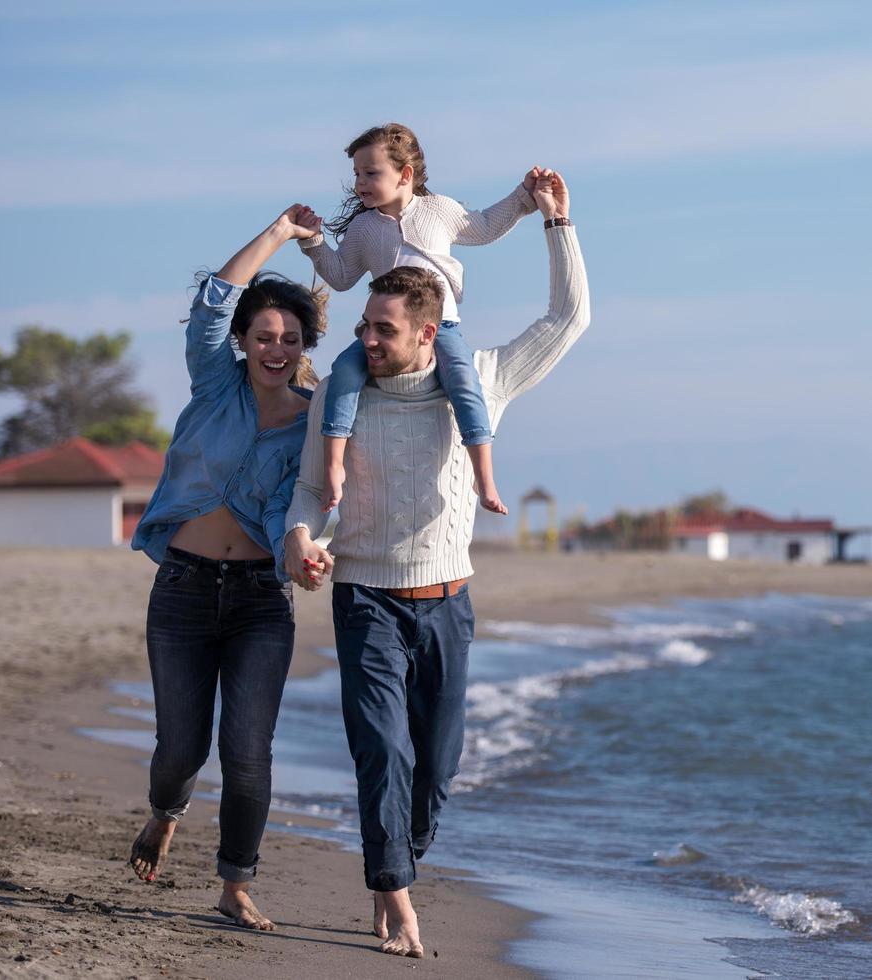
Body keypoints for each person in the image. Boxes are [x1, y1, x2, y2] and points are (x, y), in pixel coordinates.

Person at [283, 171, 586, 958]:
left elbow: (567, 317)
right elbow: (314, 489)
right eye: (365, 325)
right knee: (380, 748)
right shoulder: (339, 399)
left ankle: (399, 857)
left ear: (427, 333)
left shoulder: (480, 379)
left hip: (448, 601)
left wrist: (558, 225)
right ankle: (393, 891)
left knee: (436, 768)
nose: (366, 341)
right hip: (365, 599)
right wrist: (299, 537)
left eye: (383, 330)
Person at [127, 207, 336, 931]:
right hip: (181, 590)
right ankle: (166, 812)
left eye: (290, 338)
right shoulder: (214, 387)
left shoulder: (316, 423)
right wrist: (281, 233)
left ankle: (235, 885)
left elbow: (294, 510)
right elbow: (214, 300)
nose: (276, 348)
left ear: (306, 343)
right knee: (178, 747)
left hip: (257, 602)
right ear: (243, 342)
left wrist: (301, 553)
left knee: (246, 751)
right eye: (263, 336)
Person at [293, 122, 544, 516]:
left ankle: (484, 475)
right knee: (343, 371)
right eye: (357, 174)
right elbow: (341, 277)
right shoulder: (363, 228)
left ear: (404, 174)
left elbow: (485, 226)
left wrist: (523, 195)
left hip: (439, 327)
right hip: (385, 332)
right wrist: (313, 243)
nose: (360, 183)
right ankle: (334, 466)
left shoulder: (438, 210)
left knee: (463, 380)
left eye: (371, 173)